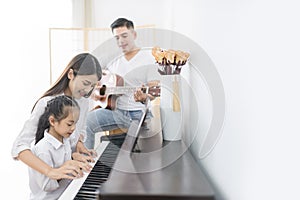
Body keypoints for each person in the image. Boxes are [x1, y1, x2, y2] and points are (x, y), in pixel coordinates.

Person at [12, 52, 102, 180]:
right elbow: (19, 147)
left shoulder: (84, 101)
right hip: (47, 182)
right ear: (70, 74)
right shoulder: (46, 104)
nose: (88, 90)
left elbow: (78, 134)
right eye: (85, 83)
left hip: (70, 176)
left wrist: (79, 146)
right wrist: (51, 172)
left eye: (92, 86)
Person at [85, 17, 160, 149]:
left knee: (143, 149)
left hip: (137, 113)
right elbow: (92, 71)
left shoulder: (148, 57)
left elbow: (153, 90)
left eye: (124, 36)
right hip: (116, 111)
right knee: (86, 122)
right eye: (117, 38)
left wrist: (145, 96)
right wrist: (94, 89)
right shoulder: (112, 58)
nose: (121, 41)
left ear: (134, 34)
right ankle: (86, 163)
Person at [29, 95, 80, 199]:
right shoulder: (43, 150)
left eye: (75, 123)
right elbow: (47, 186)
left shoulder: (65, 139)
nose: (73, 128)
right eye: (69, 124)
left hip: (66, 194)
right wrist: (66, 168)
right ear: (52, 121)